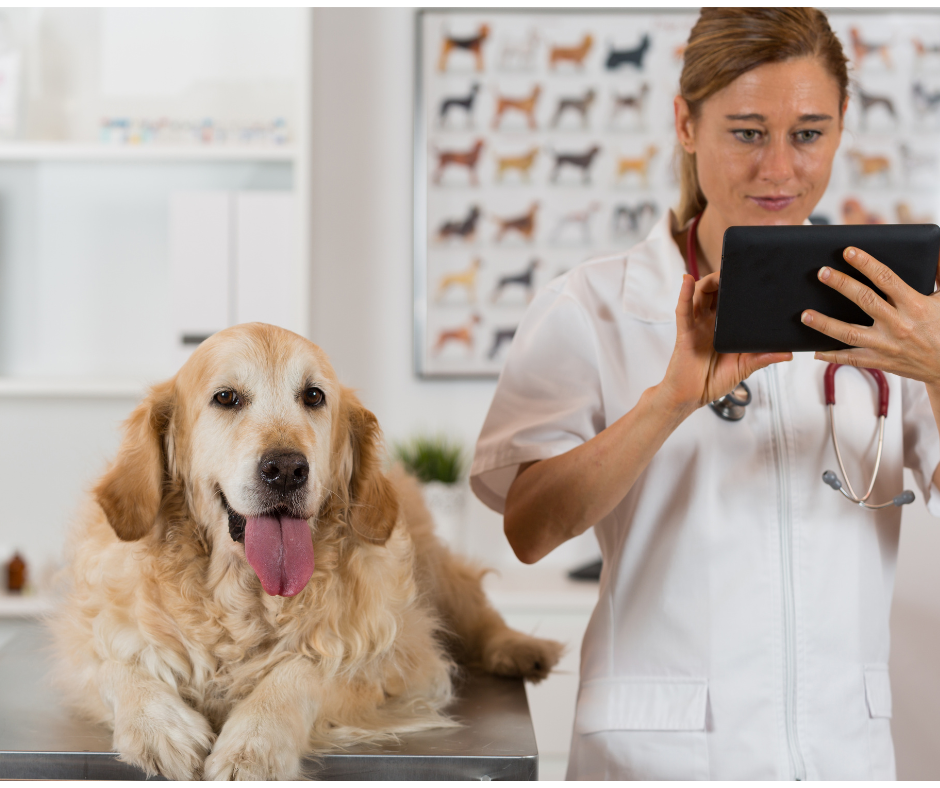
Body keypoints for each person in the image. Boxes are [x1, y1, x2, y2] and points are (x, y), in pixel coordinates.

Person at [470, 8, 940, 780]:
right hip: (659, 759)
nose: (780, 170)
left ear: (844, 125)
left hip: (840, 757)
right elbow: (530, 530)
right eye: (748, 132)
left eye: (809, 132)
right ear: (686, 123)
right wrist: (670, 400)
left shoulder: (895, 310)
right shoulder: (592, 305)